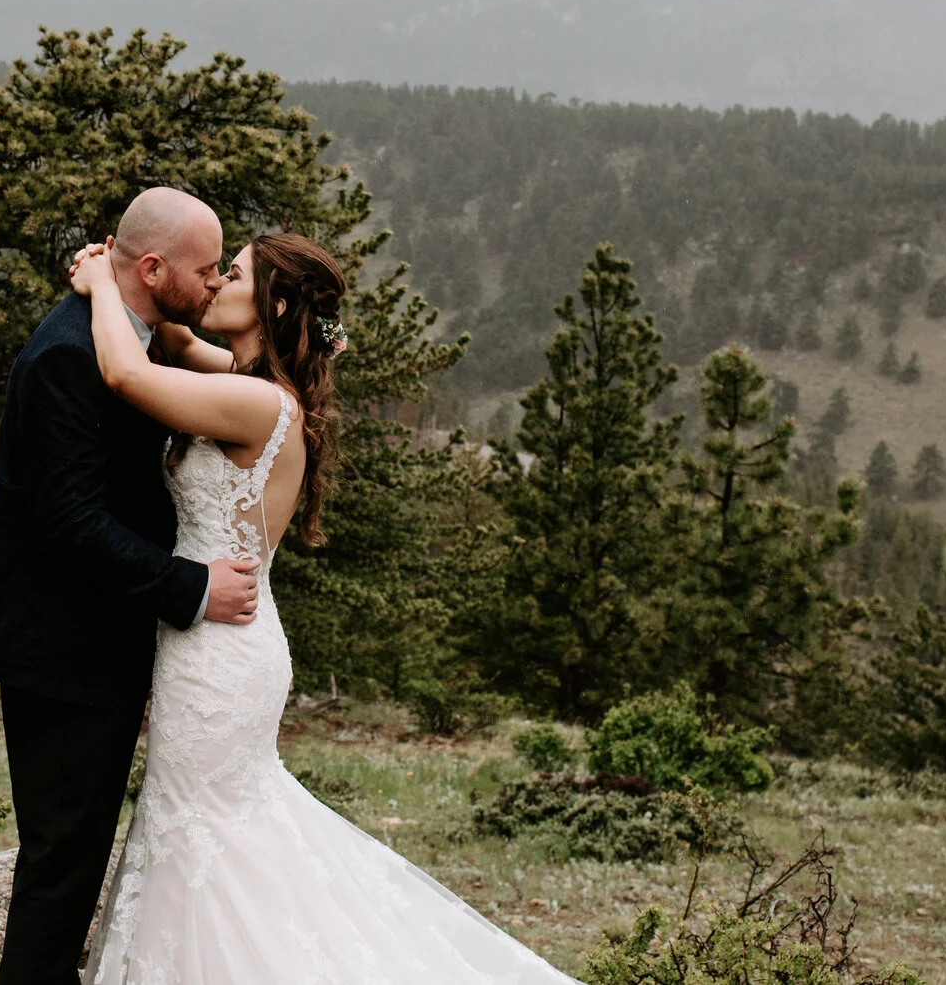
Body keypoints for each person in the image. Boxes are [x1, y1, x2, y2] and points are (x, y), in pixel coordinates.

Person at [69, 229, 577, 984]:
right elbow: (175, 341)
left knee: (206, 837)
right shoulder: (254, 383)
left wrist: (100, 281)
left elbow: (125, 372)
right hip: (217, 636)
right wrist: (157, 295)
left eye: (230, 273)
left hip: (221, 652)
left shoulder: (256, 403)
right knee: (204, 830)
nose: (214, 284)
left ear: (272, 302)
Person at [0, 187, 266, 985]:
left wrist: (105, 284)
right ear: (154, 267)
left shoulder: (145, 339)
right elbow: (70, 523)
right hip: (61, 652)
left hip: (100, 647)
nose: (209, 286)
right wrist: (190, 587)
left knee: (77, 854)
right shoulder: (68, 354)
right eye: (204, 270)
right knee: (63, 863)